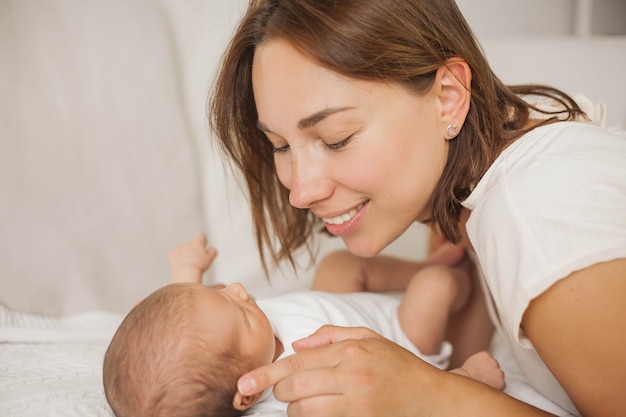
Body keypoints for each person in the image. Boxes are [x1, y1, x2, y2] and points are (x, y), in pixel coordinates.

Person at [208, 1, 626, 416]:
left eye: (337, 138)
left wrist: (427, 394)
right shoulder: (459, 188)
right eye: (279, 146)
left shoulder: (538, 216)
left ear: (448, 97)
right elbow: (473, 355)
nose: (300, 192)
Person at [102, 233, 504, 417]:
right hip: (396, 339)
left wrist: (186, 271)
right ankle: (463, 372)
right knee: (436, 288)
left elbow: (184, 321)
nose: (240, 290)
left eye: (222, 292)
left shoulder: (209, 336)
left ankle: (426, 262)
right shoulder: (294, 397)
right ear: (248, 391)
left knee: (337, 265)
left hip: (334, 306)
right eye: (240, 311)